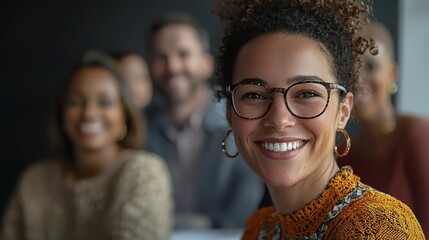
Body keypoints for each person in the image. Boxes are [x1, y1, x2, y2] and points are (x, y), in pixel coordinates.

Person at [213, 0, 425, 239]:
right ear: (230, 113)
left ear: (343, 111)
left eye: (306, 93)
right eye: (254, 94)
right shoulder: (260, 228)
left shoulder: (377, 228)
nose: (279, 119)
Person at [0, 52, 172, 240]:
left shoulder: (142, 173)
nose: (89, 113)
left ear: (125, 114)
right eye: (76, 102)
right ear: (62, 114)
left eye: (105, 102)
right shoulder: (34, 180)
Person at [145, 12, 264, 229]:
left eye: (183, 54)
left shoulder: (241, 120)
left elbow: (239, 216)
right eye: (161, 57)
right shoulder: (140, 126)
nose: (172, 67)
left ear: (207, 64)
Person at [345, 22, 429, 237]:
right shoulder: (345, 153)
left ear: (392, 74)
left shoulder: (419, 137)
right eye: (351, 68)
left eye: (371, 66)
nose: (358, 78)